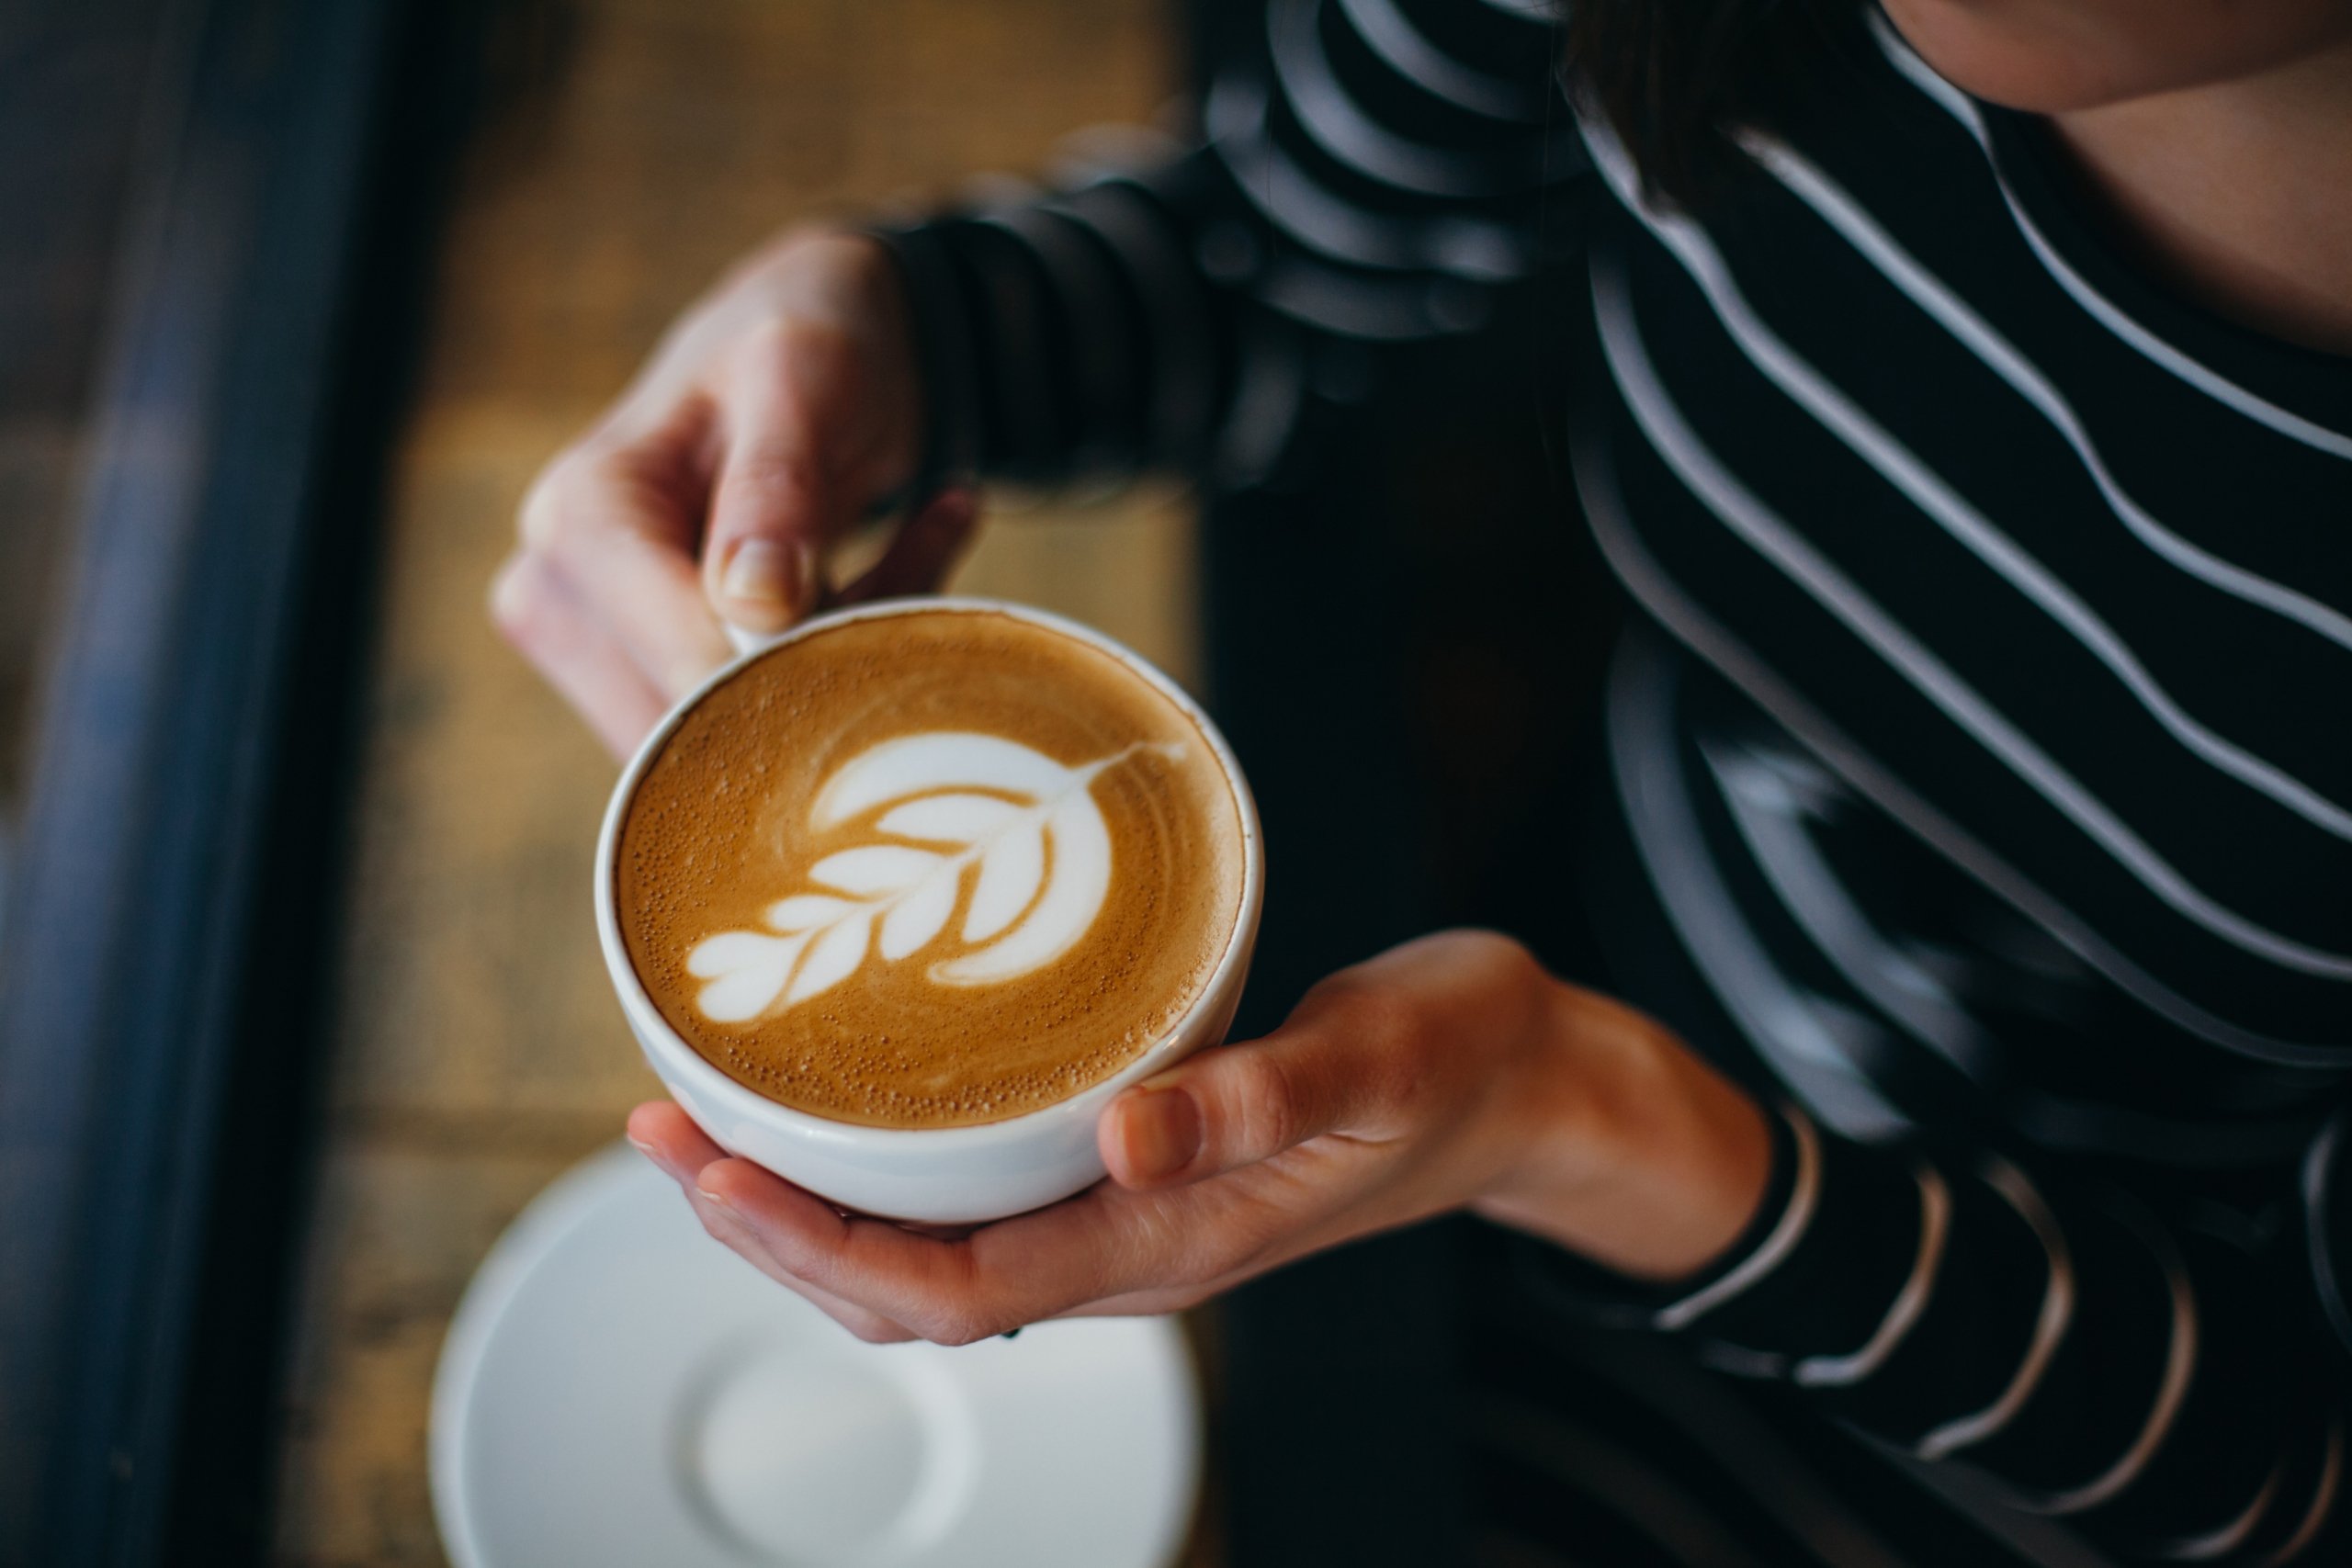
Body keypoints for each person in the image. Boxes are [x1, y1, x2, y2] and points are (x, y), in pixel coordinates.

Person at [491, 0, 2352, 1561]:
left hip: (2030, 1432)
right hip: (1507, 999)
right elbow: (1279, 256)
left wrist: (1586, 1127)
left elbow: (2308, 1458)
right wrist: (885, 323)